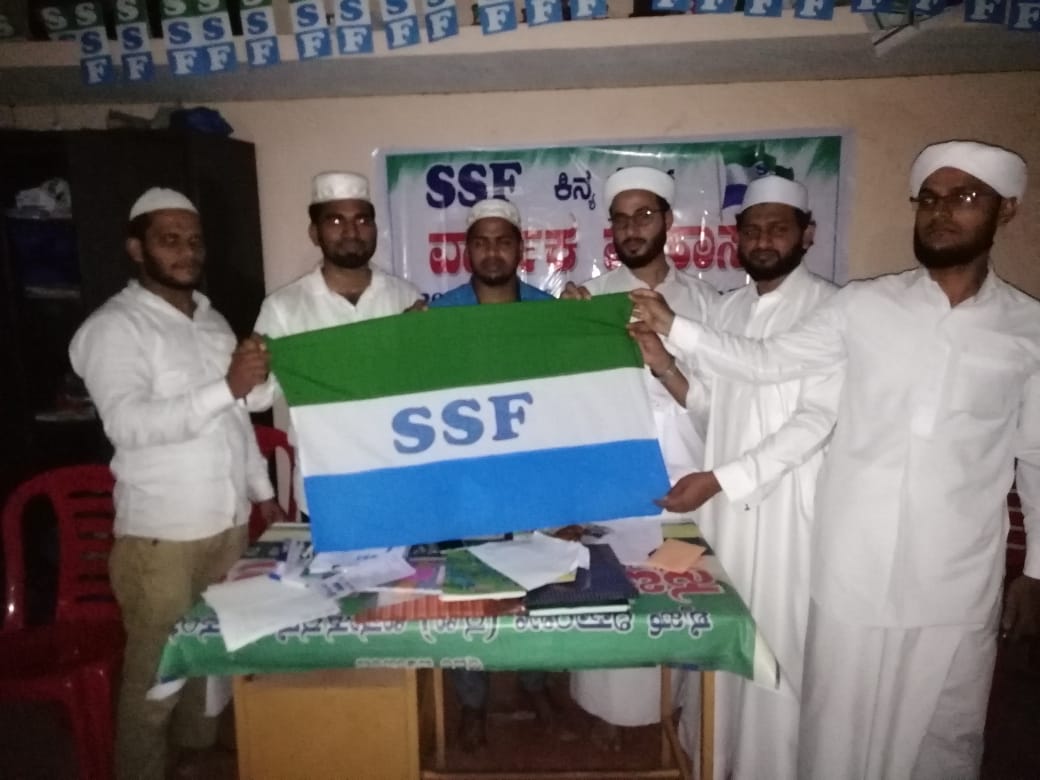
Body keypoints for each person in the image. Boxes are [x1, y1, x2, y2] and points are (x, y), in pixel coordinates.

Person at [630, 140, 1040, 779]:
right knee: (834, 732)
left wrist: (1035, 572)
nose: (941, 213)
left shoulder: (1028, 329)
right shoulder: (863, 306)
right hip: (852, 566)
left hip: (954, 577)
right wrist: (670, 345)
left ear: (1005, 209)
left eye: (964, 198)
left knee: (945, 737)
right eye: (929, 199)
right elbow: (754, 372)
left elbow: (1035, 457)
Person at [69, 187, 283, 780]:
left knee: (210, 659)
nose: (186, 251)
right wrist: (227, 386)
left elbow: (235, 420)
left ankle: (195, 758)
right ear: (136, 248)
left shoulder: (211, 320)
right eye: (169, 239)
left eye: (193, 240)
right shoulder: (114, 328)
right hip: (161, 537)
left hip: (227, 525)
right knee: (157, 679)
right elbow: (129, 425)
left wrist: (263, 496)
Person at [650, 175, 841, 779]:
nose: (763, 240)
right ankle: (713, 761)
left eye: (778, 228)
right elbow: (710, 404)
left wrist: (721, 479)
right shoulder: (730, 308)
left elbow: (817, 422)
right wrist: (662, 365)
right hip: (724, 513)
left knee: (779, 648)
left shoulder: (831, 310)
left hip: (789, 516)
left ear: (807, 234)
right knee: (720, 643)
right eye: (752, 229)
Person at [563, 165, 717, 740]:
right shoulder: (591, 299)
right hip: (613, 483)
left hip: (687, 480)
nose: (632, 228)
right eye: (621, 218)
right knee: (611, 603)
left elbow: (721, 399)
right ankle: (603, 720)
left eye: (644, 215)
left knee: (676, 607)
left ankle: (673, 719)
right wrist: (566, 328)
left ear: (668, 221)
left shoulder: (706, 303)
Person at [427, 198, 555, 750]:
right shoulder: (438, 316)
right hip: (465, 483)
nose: (493, 252)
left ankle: (536, 684)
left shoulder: (549, 313)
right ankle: (472, 703)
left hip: (531, 480)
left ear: (520, 249)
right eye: (481, 242)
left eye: (503, 241)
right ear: (467, 250)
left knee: (536, 587)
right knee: (467, 595)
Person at [250, 171, 422, 519]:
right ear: (315, 233)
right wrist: (253, 364)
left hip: (400, 481)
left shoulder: (405, 297)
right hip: (324, 489)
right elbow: (257, 399)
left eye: (362, 220)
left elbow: (423, 385)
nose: (351, 231)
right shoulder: (284, 307)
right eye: (336, 221)